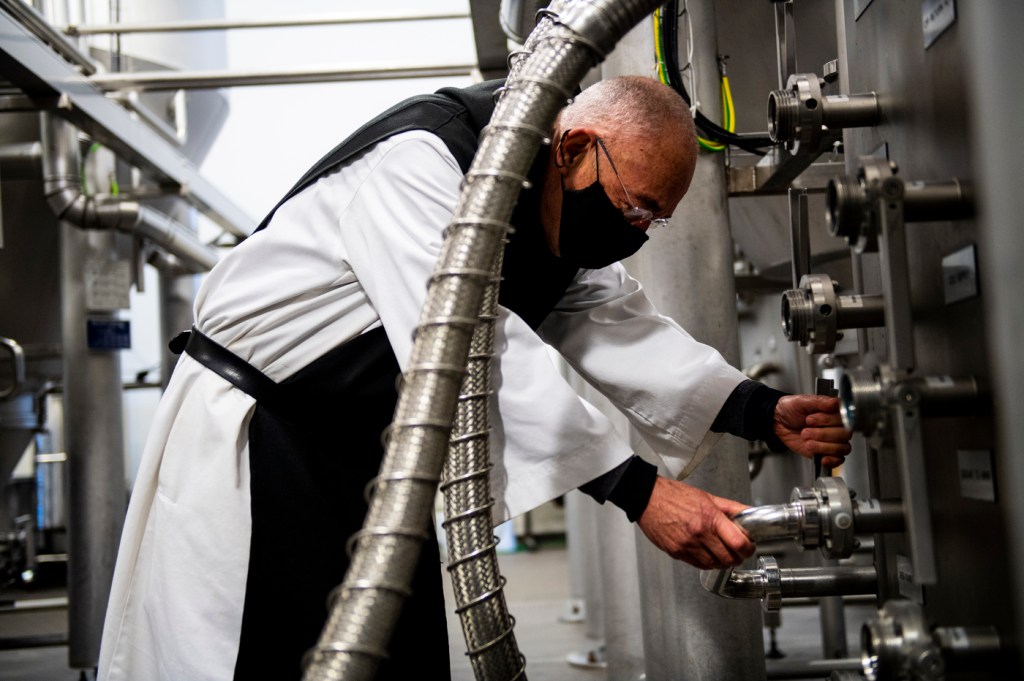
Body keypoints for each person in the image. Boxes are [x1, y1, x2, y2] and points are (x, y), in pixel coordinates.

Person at [97, 75, 851, 681]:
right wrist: (639, 490)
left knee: (396, 657)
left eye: (653, 220)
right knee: (278, 654)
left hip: (374, 461)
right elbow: (470, 345)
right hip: (271, 446)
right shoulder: (426, 160)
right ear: (576, 146)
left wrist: (757, 408)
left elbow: (614, 319)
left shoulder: (549, 202)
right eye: (635, 205)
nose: (634, 230)